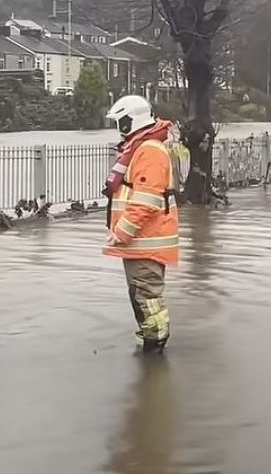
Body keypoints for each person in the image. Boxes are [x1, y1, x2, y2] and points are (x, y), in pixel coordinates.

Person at [102, 95, 181, 353]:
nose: (118, 128)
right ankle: (149, 341)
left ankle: (155, 346)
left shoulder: (148, 151)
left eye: (120, 122)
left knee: (146, 295)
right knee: (141, 294)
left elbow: (145, 200)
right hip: (139, 241)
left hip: (145, 240)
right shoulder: (141, 147)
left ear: (130, 121)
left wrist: (122, 233)